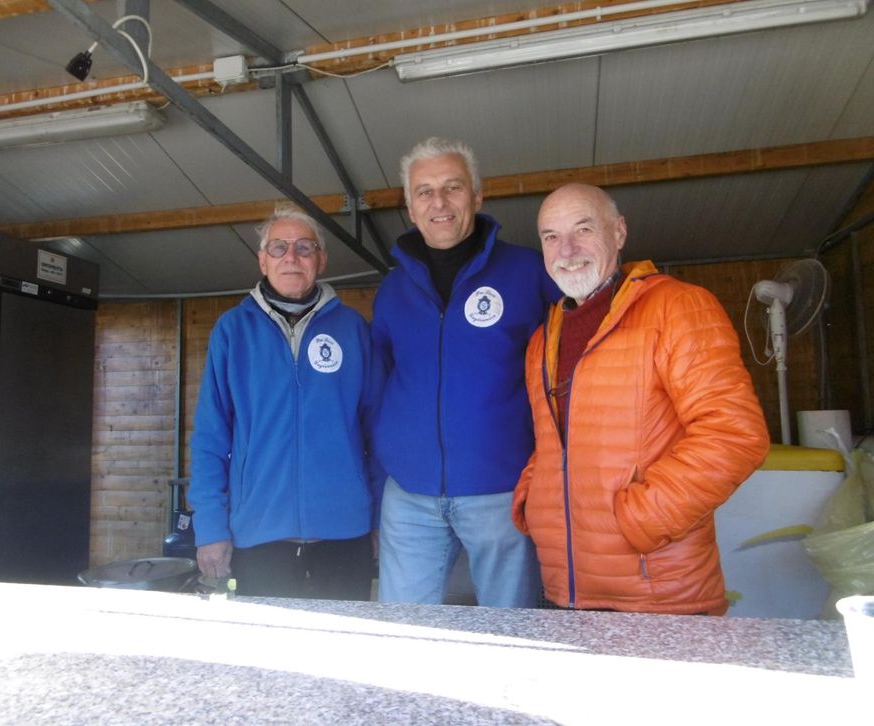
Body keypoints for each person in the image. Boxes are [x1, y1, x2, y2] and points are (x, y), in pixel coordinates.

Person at [513, 183, 770, 615]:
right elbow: (553, 443)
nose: (567, 250)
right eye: (551, 237)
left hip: (659, 595)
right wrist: (534, 501)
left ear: (619, 232)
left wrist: (642, 519)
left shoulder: (678, 307)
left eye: (583, 229)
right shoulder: (543, 338)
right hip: (565, 590)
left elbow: (735, 435)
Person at [371, 137, 560, 607]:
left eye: (453, 187)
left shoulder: (529, 271)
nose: (439, 202)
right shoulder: (392, 289)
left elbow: (566, 372)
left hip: (502, 490)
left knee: (510, 630)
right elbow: (384, 380)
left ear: (477, 196)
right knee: (402, 631)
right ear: (410, 208)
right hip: (409, 495)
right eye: (424, 191)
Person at [189, 203, 383, 600]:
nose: (291, 256)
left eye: (304, 247)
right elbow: (210, 438)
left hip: (345, 532)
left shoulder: (353, 330)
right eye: (278, 247)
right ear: (263, 260)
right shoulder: (232, 331)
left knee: (345, 637)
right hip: (259, 534)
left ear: (321, 260)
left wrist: (380, 518)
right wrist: (210, 528)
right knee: (268, 640)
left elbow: (379, 432)